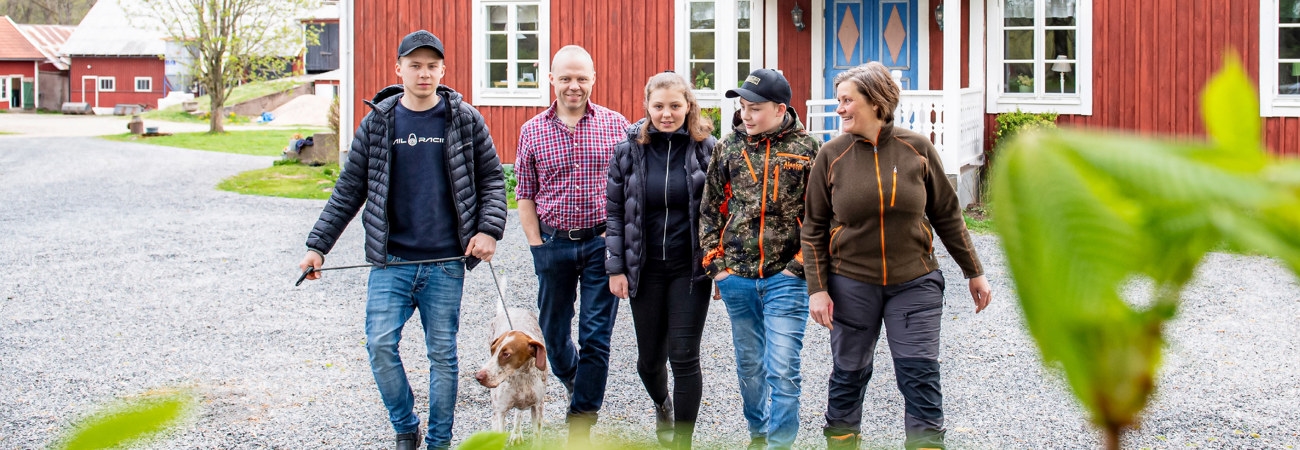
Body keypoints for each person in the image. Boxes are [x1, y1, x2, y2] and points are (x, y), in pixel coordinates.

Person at [296, 30, 507, 450]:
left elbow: (492, 180)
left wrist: (488, 229)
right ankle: (405, 426)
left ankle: (439, 442)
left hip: (447, 263)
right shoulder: (379, 121)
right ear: (399, 69)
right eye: (415, 65)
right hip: (391, 262)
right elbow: (348, 189)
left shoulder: (464, 119)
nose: (424, 73)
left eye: (432, 65)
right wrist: (318, 246)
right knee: (379, 345)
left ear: (443, 70)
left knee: (442, 358)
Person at [801, 61, 992, 450]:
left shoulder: (917, 149)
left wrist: (974, 271)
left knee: (919, 375)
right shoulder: (831, 155)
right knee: (848, 376)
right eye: (839, 100)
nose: (839, 109)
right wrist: (817, 290)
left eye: (847, 100)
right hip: (851, 283)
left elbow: (947, 215)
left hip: (915, 282)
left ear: (876, 101)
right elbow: (813, 228)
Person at [698, 68, 821, 450]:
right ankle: (758, 433)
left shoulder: (808, 149)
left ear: (780, 108)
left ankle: (780, 443)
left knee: (783, 368)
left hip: (788, 277)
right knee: (751, 368)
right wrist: (717, 268)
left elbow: (822, 216)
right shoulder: (727, 147)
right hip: (737, 278)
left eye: (753, 108)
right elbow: (710, 209)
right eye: (741, 107)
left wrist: (800, 266)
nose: (744, 115)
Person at [514, 44, 631, 445]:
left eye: (582, 78)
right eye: (565, 78)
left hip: (602, 244)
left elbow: (632, 187)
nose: (574, 86)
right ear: (552, 80)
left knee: (596, 335)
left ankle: (581, 420)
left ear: (593, 79)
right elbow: (524, 194)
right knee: (551, 333)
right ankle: (574, 380)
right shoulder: (532, 130)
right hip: (553, 243)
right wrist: (536, 245)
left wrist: (619, 238)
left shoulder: (617, 126)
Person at [605, 71, 717, 450]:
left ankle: (680, 442)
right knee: (649, 361)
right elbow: (616, 212)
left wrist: (719, 266)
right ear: (647, 107)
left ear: (688, 106)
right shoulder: (628, 151)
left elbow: (720, 210)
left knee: (684, 356)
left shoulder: (706, 149)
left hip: (690, 271)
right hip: (645, 269)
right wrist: (616, 267)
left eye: (675, 106)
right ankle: (661, 402)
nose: (666, 114)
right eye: (659, 106)